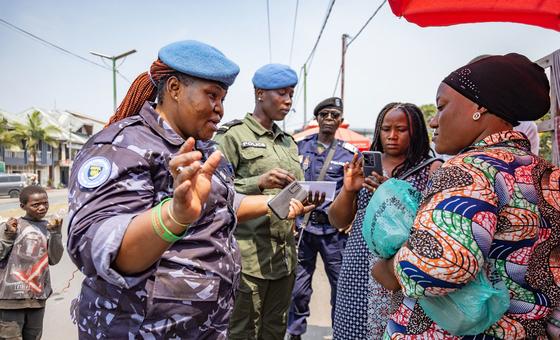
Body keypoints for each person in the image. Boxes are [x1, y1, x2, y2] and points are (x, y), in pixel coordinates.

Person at [66, 41, 314, 339]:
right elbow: (99, 248)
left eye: (223, 98)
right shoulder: (122, 146)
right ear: (173, 88)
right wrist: (174, 216)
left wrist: (278, 203)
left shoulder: (203, 150)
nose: (220, 109)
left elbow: (227, 204)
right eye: (212, 96)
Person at [373, 53, 557, 339]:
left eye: (441, 107)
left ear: (478, 107)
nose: (433, 121)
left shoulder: (469, 168)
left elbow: (440, 267)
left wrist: (387, 268)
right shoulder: (547, 172)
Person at [329, 102, 442, 339]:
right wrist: (349, 190)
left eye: (401, 129)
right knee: (353, 329)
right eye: (386, 128)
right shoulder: (363, 165)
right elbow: (337, 220)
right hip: (359, 264)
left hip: (402, 267)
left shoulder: (431, 169)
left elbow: (431, 226)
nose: (392, 136)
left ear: (416, 132)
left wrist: (390, 197)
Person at [213, 63, 304, 340]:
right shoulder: (233, 136)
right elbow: (214, 193)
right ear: (260, 93)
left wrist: (305, 201)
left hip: (284, 257)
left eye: (291, 94)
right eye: (282, 94)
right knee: (242, 332)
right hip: (248, 258)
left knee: (275, 331)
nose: (288, 101)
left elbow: (295, 190)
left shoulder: (289, 142)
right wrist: (258, 183)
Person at [286, 97, 357, 340]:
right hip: (303, 228)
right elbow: (291, 184)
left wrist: (352, 218)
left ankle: (341, 333)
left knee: (340, 288)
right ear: (317, 118)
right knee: (297, 289)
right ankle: (294, 333)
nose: (328, 119)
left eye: (334, 115)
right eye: (324, 114)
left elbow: (355, 191)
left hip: (333, 232)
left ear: (341, 121)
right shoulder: (299, 147)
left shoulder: (349, 155)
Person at [0, 185, 64, 340]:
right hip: (9, 300)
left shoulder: (48, 228)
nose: (42, 207)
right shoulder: (12, 226)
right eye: (35, 204)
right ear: (23, 206)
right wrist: (8, 235)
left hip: (37, 299)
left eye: (45, 203)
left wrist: (55, 234)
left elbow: (54, 259)